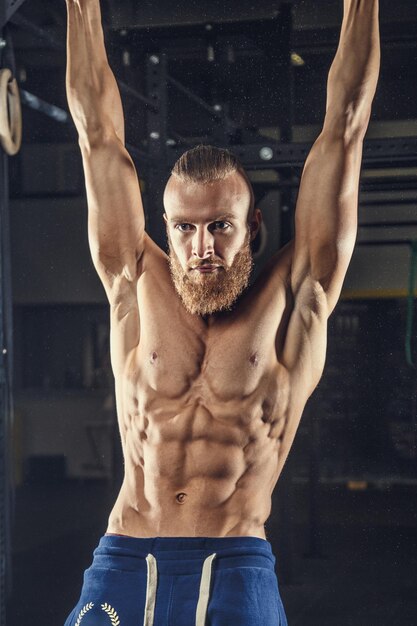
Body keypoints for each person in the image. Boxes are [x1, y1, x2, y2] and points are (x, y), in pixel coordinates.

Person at [63, 1, 380, 624]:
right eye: (185, 229)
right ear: (166, 228)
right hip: (126, 555)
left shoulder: (298, 293)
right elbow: (97, 132)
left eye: (220, 227)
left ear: (251, 226)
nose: (202, 248)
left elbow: (345, 125)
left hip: (232, 563)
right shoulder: (133, 275)